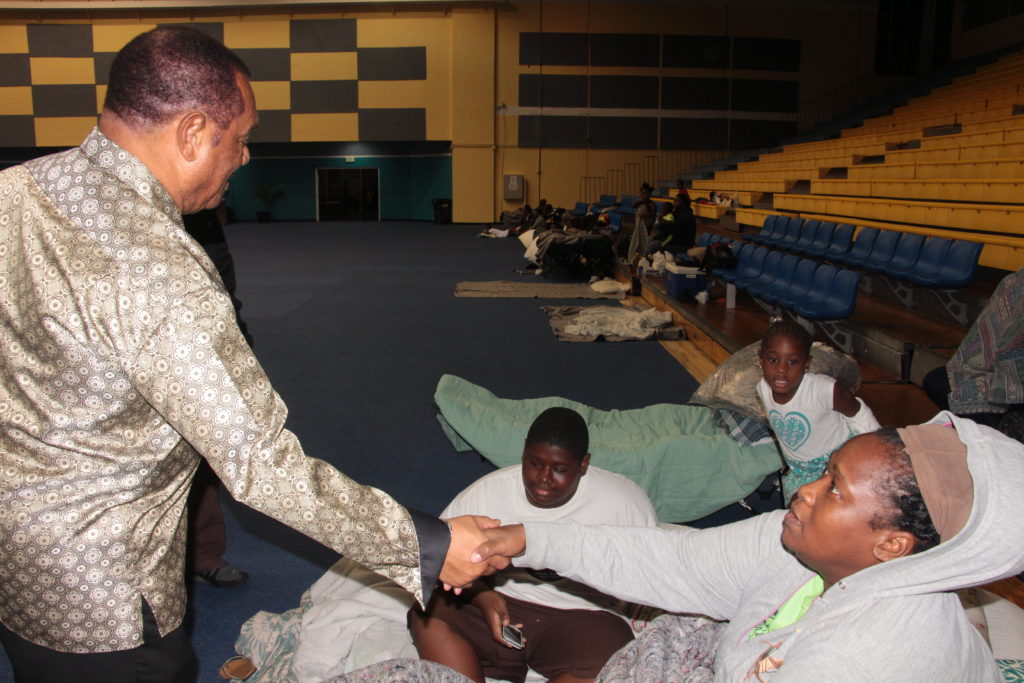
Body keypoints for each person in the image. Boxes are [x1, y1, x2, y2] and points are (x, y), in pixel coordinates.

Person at [0, 26, 494, 683]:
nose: (245, 156)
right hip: (108, 598)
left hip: (18, 562)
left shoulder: (16, 193)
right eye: (240, 137)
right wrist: (427, 544)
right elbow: (260, 464)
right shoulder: (160, 266)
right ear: (192, 131)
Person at [473, 416, 1024, 681]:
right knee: (676, 624)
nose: (804, 490)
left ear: (891, 544)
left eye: (834, 489)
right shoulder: (793, 544)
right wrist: (527, 539)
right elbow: (673, 561)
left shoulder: (857, 661)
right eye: (826, 471)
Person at [409, 407, 658, 683]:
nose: (544, 479)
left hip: (582, 614)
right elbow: (440, 563)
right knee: (428, 611)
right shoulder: (486, 493)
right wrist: (483, 598)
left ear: (584, 464)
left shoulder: (625, 503)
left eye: (560, 469)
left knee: (620, 658)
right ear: (524, 451)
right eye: (535, 463)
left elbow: (651, 571)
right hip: (503, 602)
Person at [182, 207, 252, 588]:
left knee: (203, 460)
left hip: (204, 354)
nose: (245, 157)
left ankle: (203, 553)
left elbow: (223, 286)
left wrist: (239, 345)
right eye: (239, 144)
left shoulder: (202, 216)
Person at [756, 319, 880, 498]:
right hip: (801, 470)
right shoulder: (762, 388)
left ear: (807, 364)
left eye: (793, 362)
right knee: (798, 516)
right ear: (760, 359)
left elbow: (860, 415)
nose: (781, 369)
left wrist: (876, 454)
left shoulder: (824, 390)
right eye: (773, 360)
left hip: (838, 462)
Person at [923, 267, 1024, 440]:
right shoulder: (1015, 282)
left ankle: (1000, 439)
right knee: (937, 381)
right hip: (1004, 373)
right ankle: (992, 438)